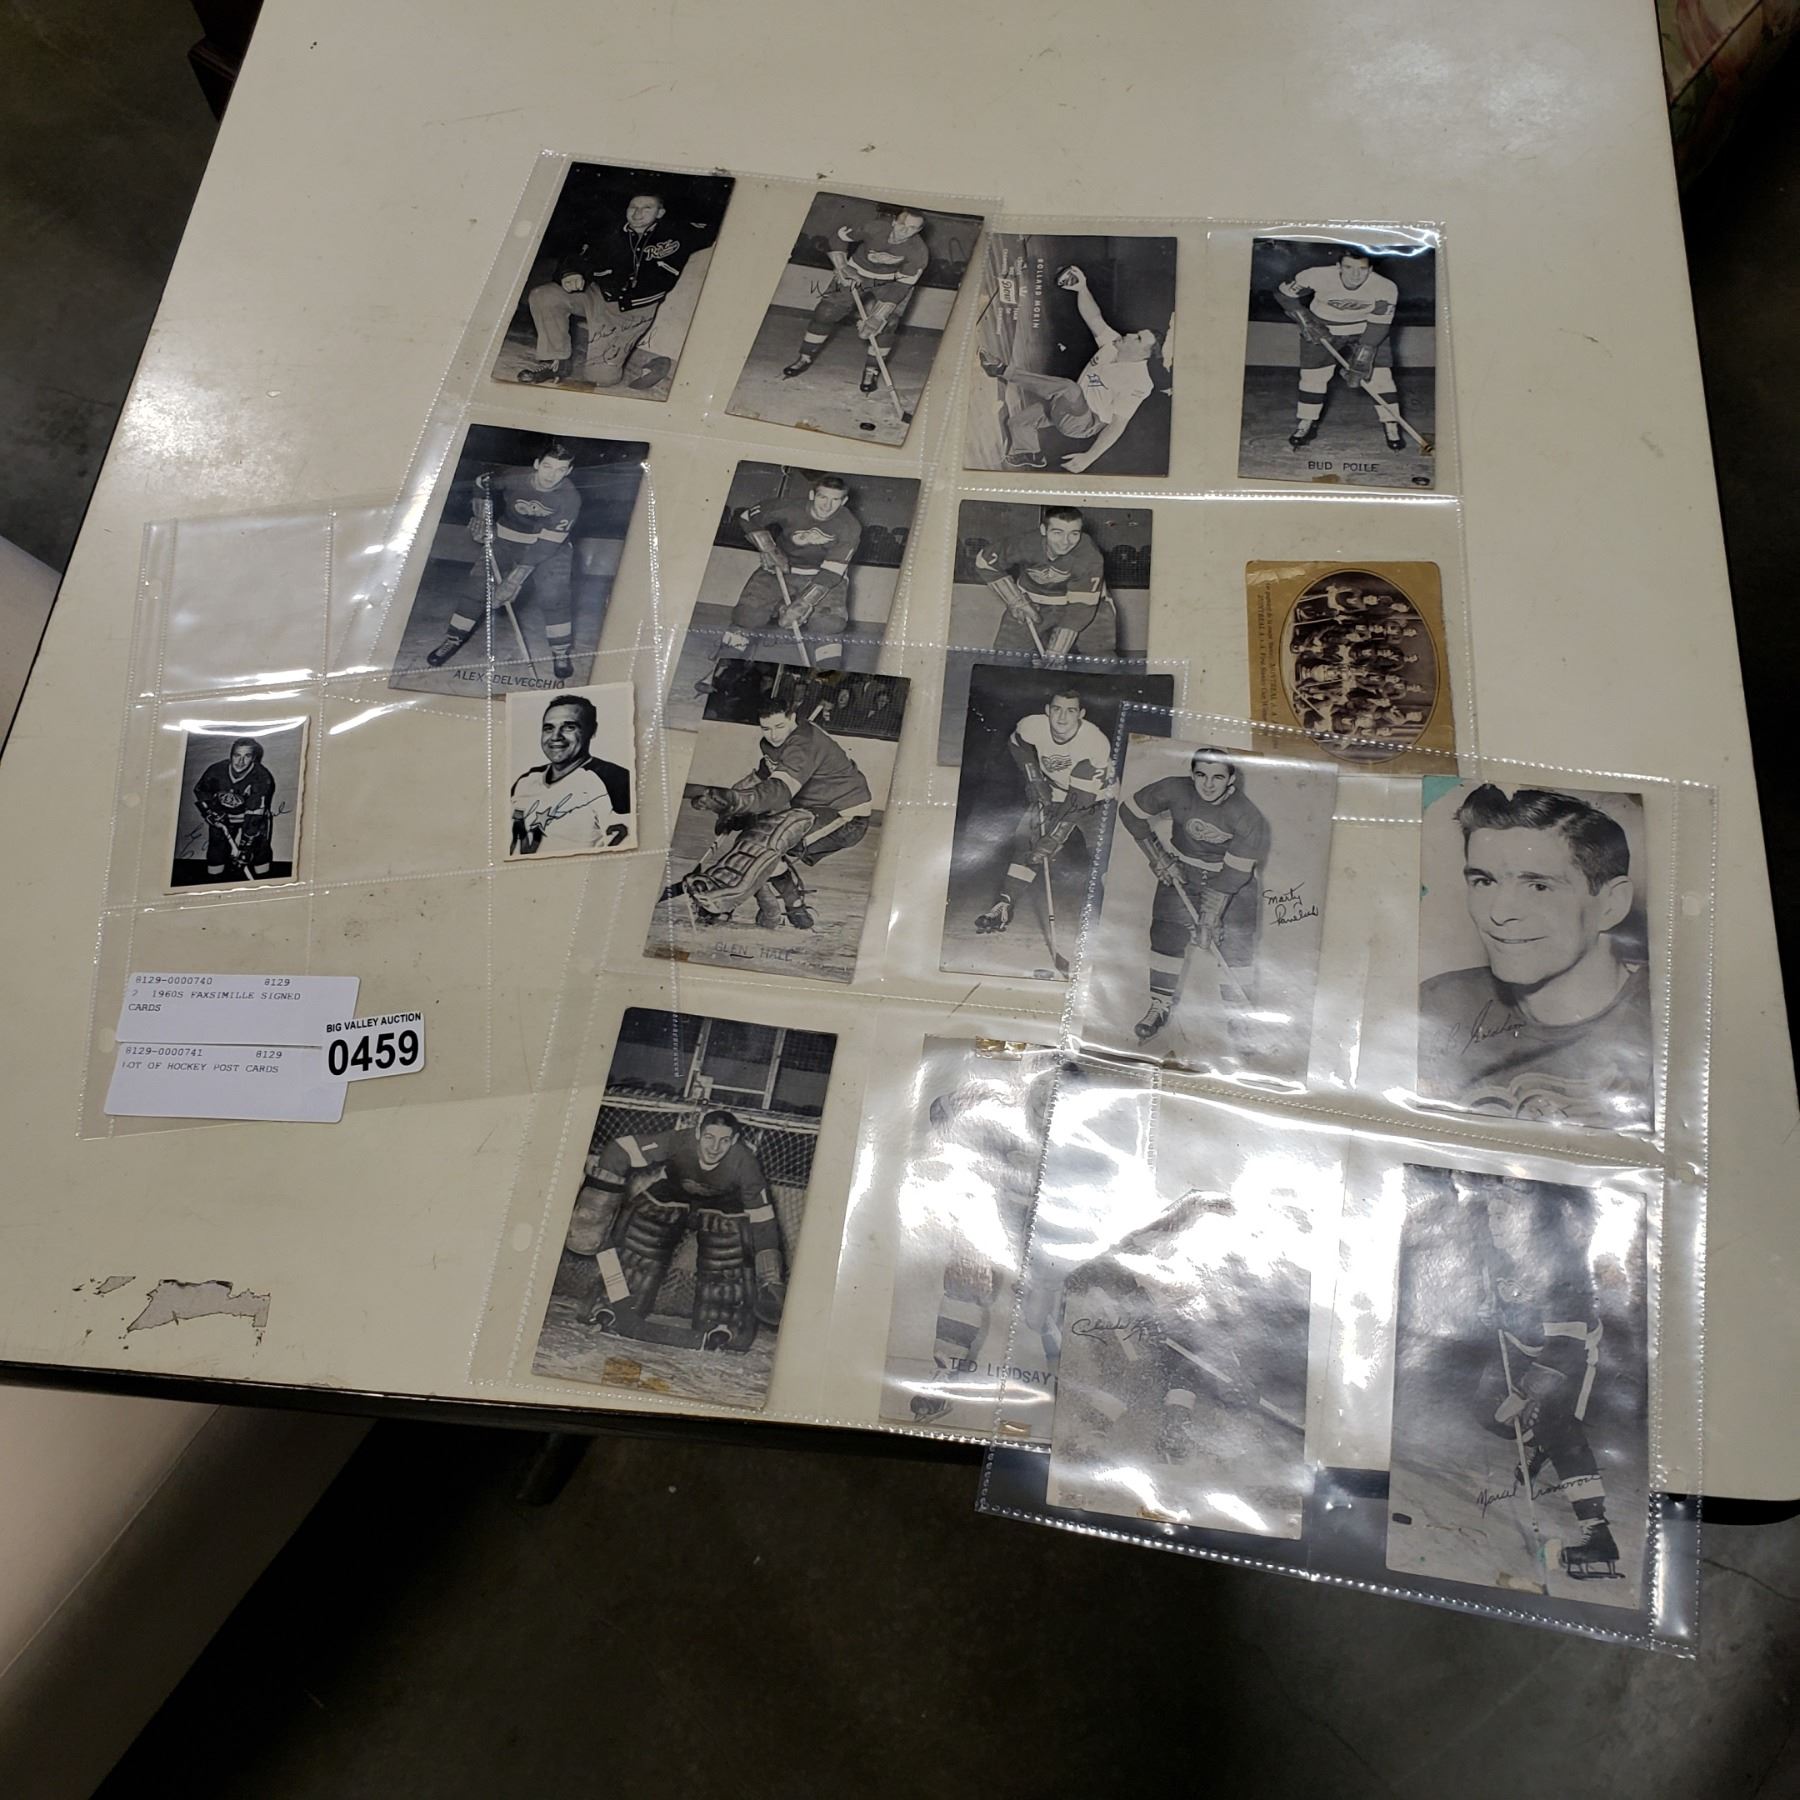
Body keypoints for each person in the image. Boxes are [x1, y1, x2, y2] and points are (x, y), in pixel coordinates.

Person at [1418, 785, 1653, 1130]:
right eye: (1484, 881)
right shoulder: (1437, 1005)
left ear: (1611, 904)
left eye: (1538, 886)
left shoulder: (1667, 1022)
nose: (1499, 913)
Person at [1450, 1172, 1624, 1580]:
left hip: (1568, 1356)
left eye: (1503, 1215)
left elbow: (1563, 1348)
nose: (1494, 1223)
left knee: (1557, 1426)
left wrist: (1527, 1394)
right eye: (1491, 1214)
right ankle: (1537, 1441)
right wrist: (1489, 1313)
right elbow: (1501, 1302)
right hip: (1520, 1348)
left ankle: (1597, 1532)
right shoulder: (1495, 1256)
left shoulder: (1559, 1266)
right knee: (1489, 1413)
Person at [907, 1060, 1064, 1425]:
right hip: (995, 1207)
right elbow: (940, 1111)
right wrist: (964, 1111)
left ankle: (1065, 1384)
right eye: (1041, 1090)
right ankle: (945, 1372)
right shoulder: (998, 1100)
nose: (1045, 1102)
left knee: (1040, 1314)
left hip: (1049, 1223)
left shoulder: (1086, 1125)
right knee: (966, 1277)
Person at [564, 1109, 785, 1353]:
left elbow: (763, 1221)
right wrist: (594, 1211)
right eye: (709, 1137)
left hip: (725, 1204)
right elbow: (619, 1150)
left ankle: (722, 1326)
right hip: (673, 1192)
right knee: (641, 1235)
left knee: (728, 1250)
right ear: (698, 1133)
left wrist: (770, 1277)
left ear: (734, 1140)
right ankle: (610, 1306)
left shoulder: (745, 1164)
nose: (714, 1148)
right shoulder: (678, 1141)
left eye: (724, 1140)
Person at [663, 697, 873, 930]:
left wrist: (736, 801)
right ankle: (783, 908)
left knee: (766, 848)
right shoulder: (773, 742)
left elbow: (779, 791)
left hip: (845, 817)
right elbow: (763, 776)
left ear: (792, 718)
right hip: (810, 810)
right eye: (766, 728)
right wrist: (732, 800)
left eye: (779, 726)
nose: (773, 735)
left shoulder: (804, 745)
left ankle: (736, 903)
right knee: (755, 840)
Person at [1118, 748, 1269, 1042]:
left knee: (1236, 945)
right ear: (1192, 774)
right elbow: (1129, 812)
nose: (1208, 784)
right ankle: (1160, 1005)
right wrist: (1158, 857)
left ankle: (1239, 1016)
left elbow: (1235, 872)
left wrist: (1210, 917)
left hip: (1233, 881)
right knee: (1166, 935)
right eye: (1201, 775)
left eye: (1217, 777)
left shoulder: (1248, 816)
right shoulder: (1173, 789)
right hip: (1183, 871)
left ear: (1231, 779)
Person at [978, 265, 1160, 474]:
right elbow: (1094, 317)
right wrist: (1082, 288)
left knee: (1069, 388)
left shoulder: (1140, 383)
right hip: (1067, 406)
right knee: (1018, 422)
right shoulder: (1114, 344)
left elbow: (1118, 425)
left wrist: (1089, 458)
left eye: (1138, 339)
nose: (1130, 334)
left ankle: (1001, 370)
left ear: (1143, 354)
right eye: (1136, 333)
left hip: (1084, 423)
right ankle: (1028, 453)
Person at [428, 440, 584, 679]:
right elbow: (481, 483)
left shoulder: (570, 498)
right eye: (547, 466)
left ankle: (560, 651)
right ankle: (453, 638)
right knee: (477, 587)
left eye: (560, 469)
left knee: (554, 596)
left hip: (550, 549)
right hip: (505, 540)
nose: (551, 475)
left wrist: (512, 582)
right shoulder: (514, 476)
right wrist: (482, 517)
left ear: (569, 471)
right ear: (536, 464)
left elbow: (546, 546)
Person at [517, 191, 702, 390]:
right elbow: (577, 255)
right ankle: (554, 363)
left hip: (631, 312)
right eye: (633, 207)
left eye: (647, 208)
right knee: (544, 295)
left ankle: (653, 364)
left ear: (660, 213)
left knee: (601, 378)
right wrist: (570, 272)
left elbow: (716, 227)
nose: (637, 213)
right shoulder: (610, 232)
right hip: (597, 296)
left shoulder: (679, 234)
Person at [974, 689, 1115, 938]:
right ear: (1048, 710)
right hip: (1058, 792)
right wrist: (1034, 777)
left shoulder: (1094, 742)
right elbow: (1016, 743)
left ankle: (1116, 919)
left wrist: (1053, 839)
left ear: (1081, 714)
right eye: (1057, 709)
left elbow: (1079, 801)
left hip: (1098, 798)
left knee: (1103, 857)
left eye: (1070, 711)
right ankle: (1004, 905)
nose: (1062, 717)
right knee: (1027, 845)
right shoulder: (1031, 725)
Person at [709, 475, 863, 682]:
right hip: (782, 568)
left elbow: (832, 572)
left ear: (844, 501)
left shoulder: (849, 525)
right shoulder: (789, 507)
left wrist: (802, 604)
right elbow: (747, 517)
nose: (827, 506)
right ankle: (721, 670)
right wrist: (767, 548)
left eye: (835, 500)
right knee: (748, 615)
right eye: (822, 497)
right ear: (812, 495)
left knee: (829, 624)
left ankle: (827, 680)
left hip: (825, 576)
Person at [782, 209, 929, 393]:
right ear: (894, 222)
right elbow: (838, 237)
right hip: (857, 272)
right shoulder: (873, 227)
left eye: (912, 228)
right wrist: (842, 266)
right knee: (826, 312)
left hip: (892, 283)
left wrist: (878, 316)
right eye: (902, 225)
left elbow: (901, 287)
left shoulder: (919, 252)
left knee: (888, 324)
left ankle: (871, 370)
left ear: (918, 231)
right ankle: (805, 357)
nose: (904, 231)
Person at [1274, 250, 1404, 452]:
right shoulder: (1315, 275)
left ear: (1370, 269)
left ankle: (1391, 424)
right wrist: (1303, 317)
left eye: (1362, 269)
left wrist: (1363, 356)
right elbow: (1283, 294)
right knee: (1313, 377)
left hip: (1366, 330)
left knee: (1380, 377)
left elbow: (1379, 325)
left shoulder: (1385, 287)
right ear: (1338, 267)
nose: (1355, 275)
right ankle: (1307, 422)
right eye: (1349, 267)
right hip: (1322, 329)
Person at [972, 506, 1109, 662]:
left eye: (1074, 534)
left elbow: (1080, 608)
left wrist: (1057, 650)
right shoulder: (1026, 543)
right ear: (1044, 530)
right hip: (1032, 600)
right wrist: (1016, 601)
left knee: (1099, 659)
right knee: (1006, 657)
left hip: (1087, 605)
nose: (1066, 541)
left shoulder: (1089, 556)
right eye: (1057, 533)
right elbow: (985, 562)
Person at [508, 693, 631, 856]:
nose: (555, 737)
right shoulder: (526, 781)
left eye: (569, 727)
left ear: (592, 730)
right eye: (549, 728)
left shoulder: (616, 780)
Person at [192, 736, 276, 879]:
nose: (240, 761)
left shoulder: (262, 777)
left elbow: (255, 815)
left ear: (254, 758)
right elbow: (201, 790)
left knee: (259, 850)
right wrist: (209, 812)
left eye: (247, 756)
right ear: (231, 755)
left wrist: (246, 846)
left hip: (253, 818)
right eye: (237, 755)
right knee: (216, 852)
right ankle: (214, 884)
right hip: (223, 816)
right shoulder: (216, 770)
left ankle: (264, 882)